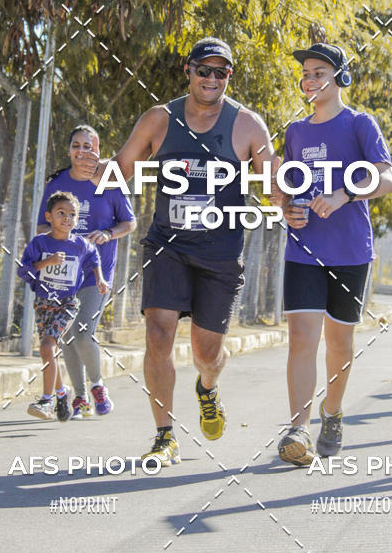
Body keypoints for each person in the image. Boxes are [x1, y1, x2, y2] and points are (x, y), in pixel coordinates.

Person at [91, 37, 279, 467]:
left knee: (206, 355)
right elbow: (122, 170)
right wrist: (97, 172)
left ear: (229, 76)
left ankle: (207, 389)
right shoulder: (159, 119)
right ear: (187, 70)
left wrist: (292, 200)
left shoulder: (248, 125)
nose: (212, 79)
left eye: (221, 72)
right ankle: (164, 435)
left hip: (220, 252)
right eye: (204, 70)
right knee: (158, 334)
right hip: (167, 245)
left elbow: (274, 185)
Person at [276, 43, 392, 466]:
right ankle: (298, 429)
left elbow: (386, 178)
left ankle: (333, 412)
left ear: (340, 76)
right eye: (305, 73)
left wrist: (345, 194)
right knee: (302, 338)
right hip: (303, 251)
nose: (309, 79)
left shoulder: (360, 124)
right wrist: (287, 209)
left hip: (349, 252)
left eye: (319, 71)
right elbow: (286, 188)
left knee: (339, 344)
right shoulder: (295, 131)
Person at [38, 125, 136, 418]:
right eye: (77, 145)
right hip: (63, 275)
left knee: (82, 332)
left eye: (89, 146)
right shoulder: (56, 185)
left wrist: (107, 233)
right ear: (69, 151)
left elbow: (129, 222)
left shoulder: (110, 182)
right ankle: (79, 397)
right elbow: (42, 225)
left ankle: (97, 386)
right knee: (66, 336)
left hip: (97, 274)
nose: (82, 151)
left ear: (98, 152)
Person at [18, 192, 109, 420]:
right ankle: (62, 391)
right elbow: (24, 270)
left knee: (48, 347)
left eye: (72, 215)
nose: (67, 218)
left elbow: (94, 257)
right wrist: (47, 262)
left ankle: (47, 401)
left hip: (67, 304)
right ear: (49, 216)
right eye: (61, 213)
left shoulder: (79, 245)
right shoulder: (40, 242)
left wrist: (99, 278)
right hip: (43, 304)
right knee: (50, 351)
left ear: (77, 219)